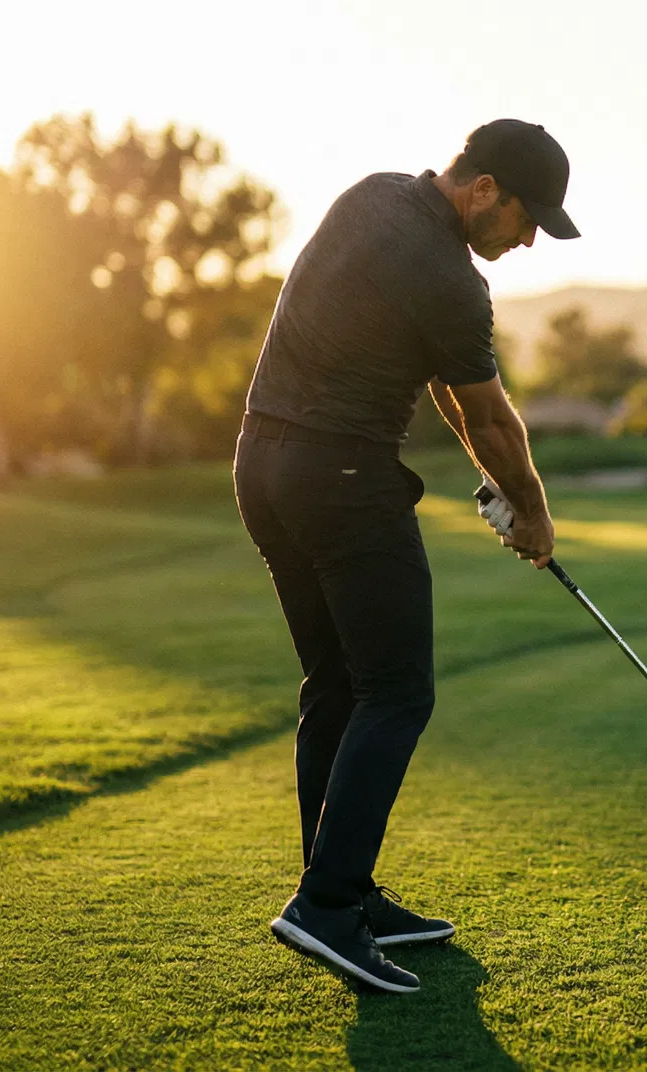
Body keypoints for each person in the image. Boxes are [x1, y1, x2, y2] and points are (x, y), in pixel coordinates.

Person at [233, 119, 578, 993]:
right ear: (484, 188)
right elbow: (491, 417)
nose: (530, 237)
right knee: (398, 689)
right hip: (342, 479)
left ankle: (342, 893)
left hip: (263, 467)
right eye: (528, 216)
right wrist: (534, 513)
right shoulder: (450, 280)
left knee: (340, 685)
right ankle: (327, 904)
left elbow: (456, 407)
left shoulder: (371, 197)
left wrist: (501, 487)